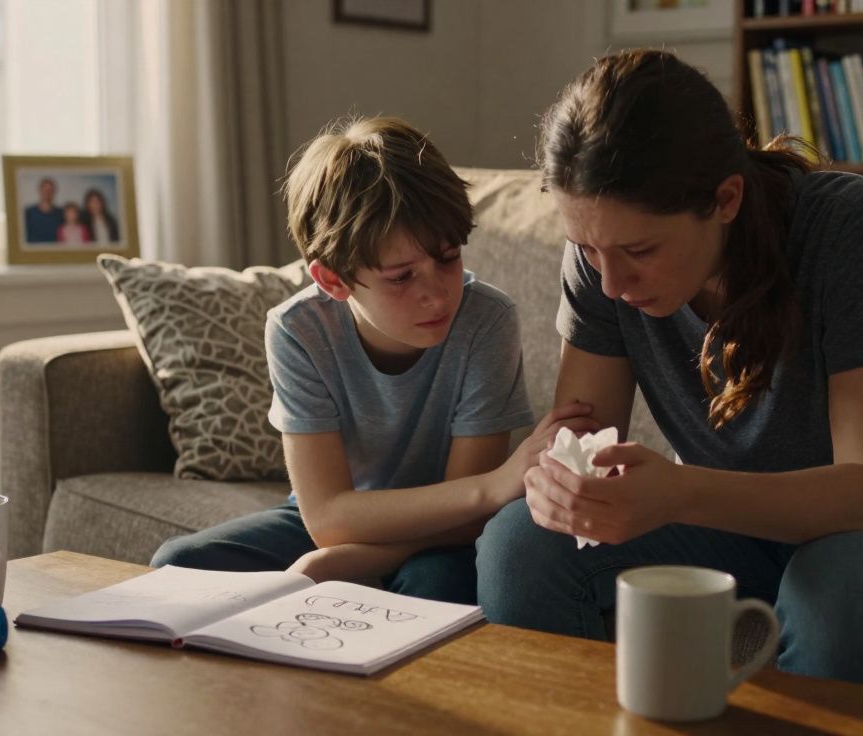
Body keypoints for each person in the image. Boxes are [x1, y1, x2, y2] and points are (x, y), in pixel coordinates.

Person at [474, 50, 863, 691]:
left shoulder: (848, 228)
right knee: (520, 545)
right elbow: (580, 444)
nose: (612, 282)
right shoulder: (600, 259)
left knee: (835, 582)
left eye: (640, 250)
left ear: (725, 198)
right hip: (733, 533)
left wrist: (679, 491)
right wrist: (561, 490)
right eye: (589, 249)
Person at [150, 116, 596, 604]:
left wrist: (352, 560)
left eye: (448, 258)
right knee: (179, 567)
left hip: (446, 534)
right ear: (333, 280)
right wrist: (492, 486)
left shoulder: (485, 321)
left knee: (429, 587)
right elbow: (327, 518)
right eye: (402, 277)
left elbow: (469, 517)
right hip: (344, 522)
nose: (437, 294)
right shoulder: (298, 330)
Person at [24, 177, 63, 243]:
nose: (47, 193)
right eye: (44, 190)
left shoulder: (61, 213)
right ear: (39, 191)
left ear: (54, 192)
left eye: (50, 190)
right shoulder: (28, 212)